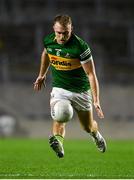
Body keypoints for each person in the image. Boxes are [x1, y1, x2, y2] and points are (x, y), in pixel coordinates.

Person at [34, 14, 107, 158]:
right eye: (59, 33)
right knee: (61, 113)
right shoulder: (49, 41)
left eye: (65, 33)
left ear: (71, 29)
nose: (62, 37)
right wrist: (42, 74)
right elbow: (46, 54)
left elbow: (91, 74)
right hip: (60, 88)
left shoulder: (80, 46)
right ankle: (59, 144)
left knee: (87, 127)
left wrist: (96, 99)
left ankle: (96, 134)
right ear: (54, 30)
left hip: (81, 90)